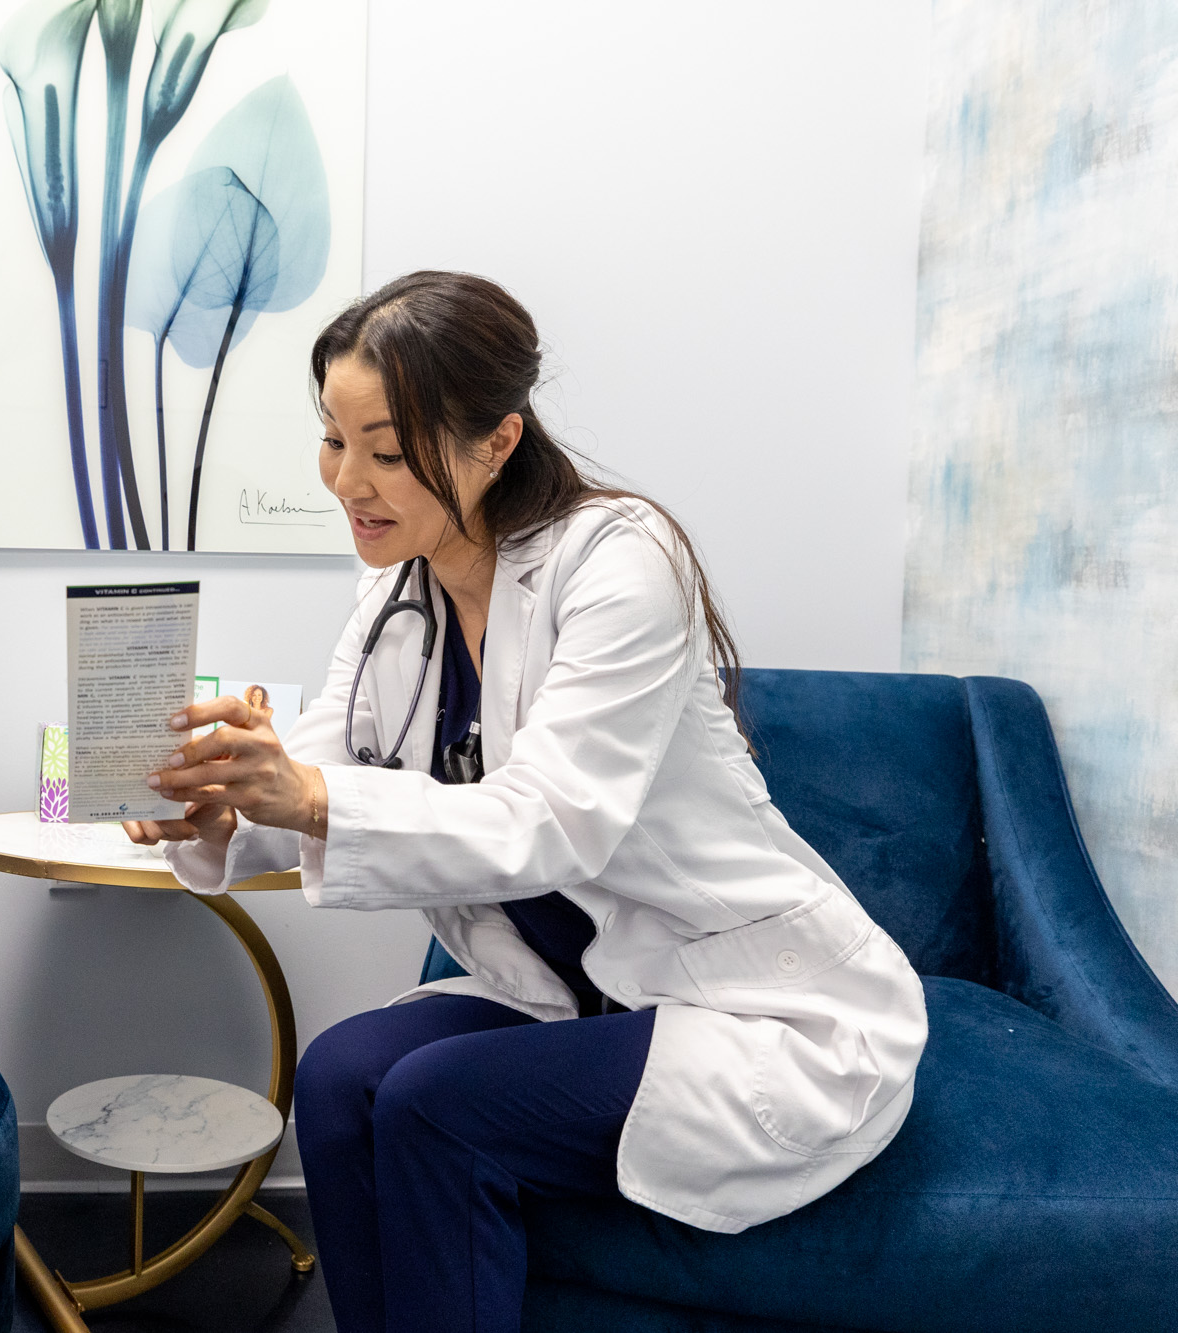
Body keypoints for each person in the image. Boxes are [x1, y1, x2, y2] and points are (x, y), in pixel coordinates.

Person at [125, 271, 928, 1332]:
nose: (346, 481)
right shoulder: (393, 595)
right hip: (562, 988)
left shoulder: (618, 561)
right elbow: (320, 771)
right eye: (332, 439)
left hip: (745, 1005)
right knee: (333, 1078)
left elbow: (552, 820)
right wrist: (223, 799)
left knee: (432, 1106)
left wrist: (305, 792)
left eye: (387, 449)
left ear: (495, 442)